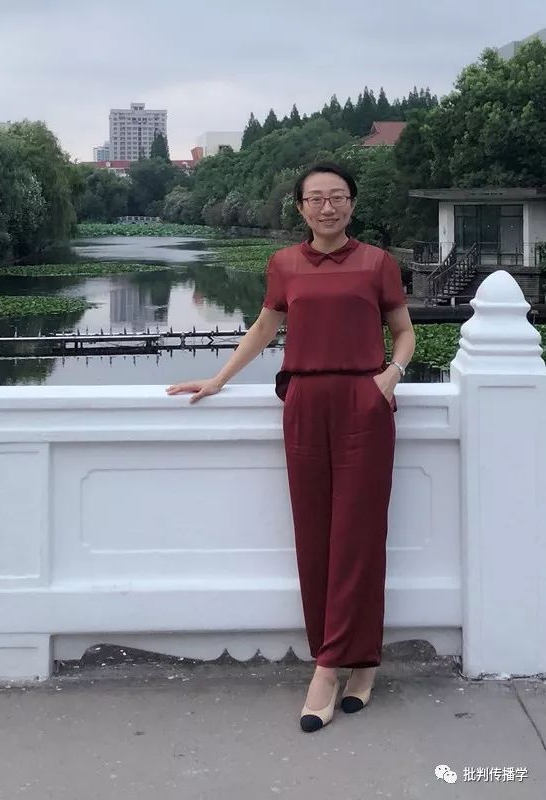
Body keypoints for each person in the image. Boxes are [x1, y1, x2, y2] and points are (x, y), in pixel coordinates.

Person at [166, 162, 416, 733]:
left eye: (338, 197)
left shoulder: (377, 263)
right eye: (316, 198)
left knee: (359, 535)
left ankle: (330, 669)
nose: (328, 207)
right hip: (303, 402)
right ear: (300, 207)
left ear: (352, 203)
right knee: (314, 534)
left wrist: (391, 375)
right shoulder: (283, 264)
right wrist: (219, 379)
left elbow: (403, 331)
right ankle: (354, 661)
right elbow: (263, 329)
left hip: (363, 402)